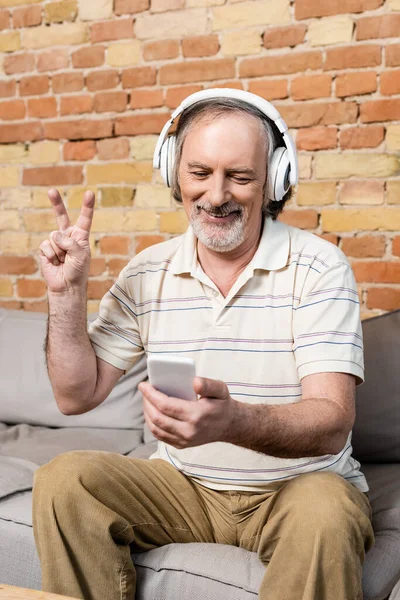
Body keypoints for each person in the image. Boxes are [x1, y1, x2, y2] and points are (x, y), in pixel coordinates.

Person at [33, 89, 374, 600]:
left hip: (296, 489)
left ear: (273, 180)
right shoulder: (149, 271)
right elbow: (75, 395)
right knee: (65, 482)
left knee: (327, 511)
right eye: (199, 173)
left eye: (239, 176)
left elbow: (331, 421)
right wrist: (66, 295)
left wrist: (232, 422)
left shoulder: (319, 267)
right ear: (173, 172)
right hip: (185, 488)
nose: (216, 196)